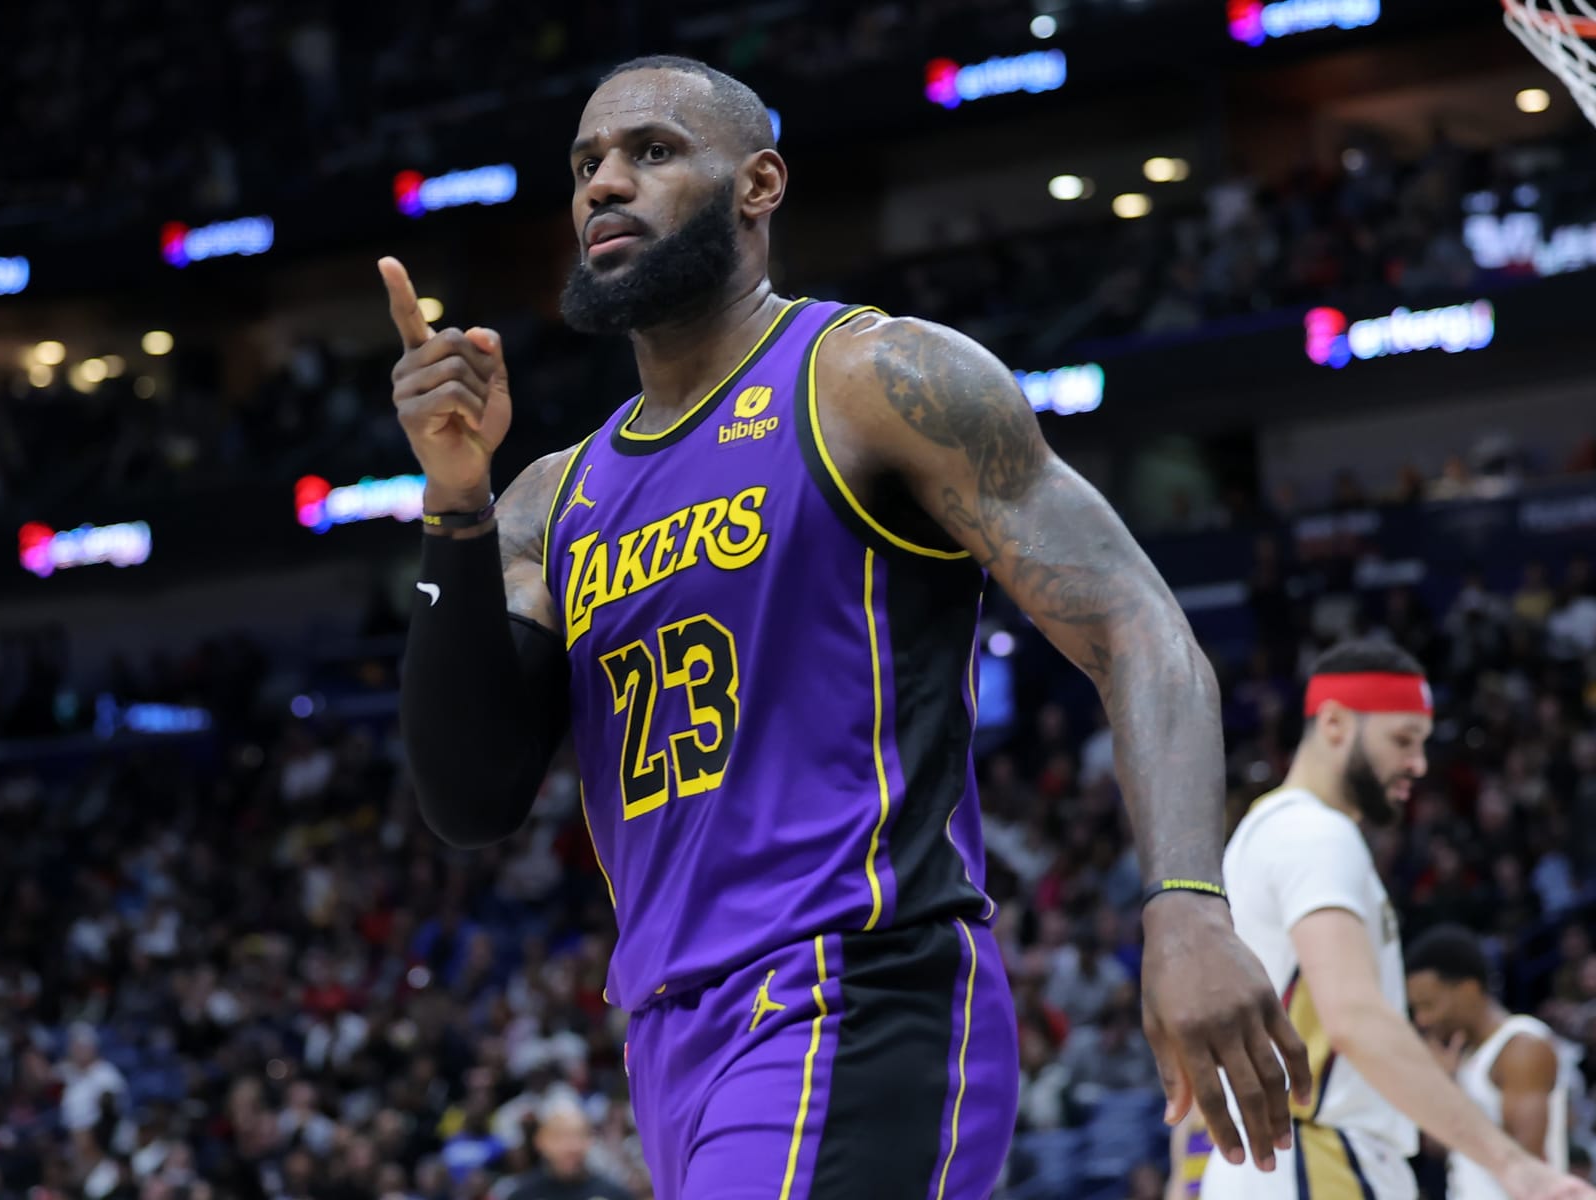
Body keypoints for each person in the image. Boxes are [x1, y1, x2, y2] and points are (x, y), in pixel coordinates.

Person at [392, 53, 1310, 1200]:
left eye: (652, 152)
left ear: (758, 184)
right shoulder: (547, 501)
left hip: (856, 988)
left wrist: (1185, 909)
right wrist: (454, 506)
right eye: (586, 164)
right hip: (669, 1036)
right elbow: (468, 800)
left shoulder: (871, 380)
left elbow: (1137, 625)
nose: (604, 184)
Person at [1202, 639, 1594, 1200]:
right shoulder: (1315, 833)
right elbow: (1354, 1019)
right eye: (1402, 741)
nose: (1418, 764)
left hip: (1283, 1159)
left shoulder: (1266, 831)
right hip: (1319, 1158)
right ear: (1335, 723)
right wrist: (1517, 1169)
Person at [1406, 924, 1576, 1200]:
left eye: (1429, 1004)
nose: (1423, 1020)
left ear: (1469, 989)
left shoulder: (1522, 1047)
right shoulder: (1464, 1054)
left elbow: (1526, 1160)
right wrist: (1441, 1084)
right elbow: (1440, 1148)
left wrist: (1450, 1093)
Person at [507, 1102, 634, 1200]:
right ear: (540, 1141)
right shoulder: (522, 1195)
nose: (570, 1146)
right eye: (559, 1136)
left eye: (578, 1135)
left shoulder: (614, 1194)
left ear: (590, 1140)